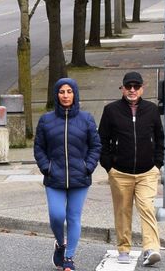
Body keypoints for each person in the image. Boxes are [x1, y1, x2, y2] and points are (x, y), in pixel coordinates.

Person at [35, 78, 101, 271]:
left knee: (73, 217)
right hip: (54, 177)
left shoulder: (86, 119)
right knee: (56, 216)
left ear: (75, 94)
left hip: (79, 178)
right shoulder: (46, 120)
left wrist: (87, 166)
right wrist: (46, 167)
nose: (65, 95)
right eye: (62, 92)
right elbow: (39, 147)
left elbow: (96, 146)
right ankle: (60, 244)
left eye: (69, 91)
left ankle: (69, 258)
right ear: (56, 94)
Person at [99, 72, 165, 266]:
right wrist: (108, 166)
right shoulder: (111, 110)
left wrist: (157, 164)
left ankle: (151, 248)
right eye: (129, 87)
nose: (133, 90)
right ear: (123, 89)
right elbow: (102, 140)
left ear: (142, 88)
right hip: (120, 173)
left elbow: (160, 138)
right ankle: (124, 249)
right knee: (122, 211)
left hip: (147, 172)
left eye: (136, 86)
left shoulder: (151, 110)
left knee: (147, 208)